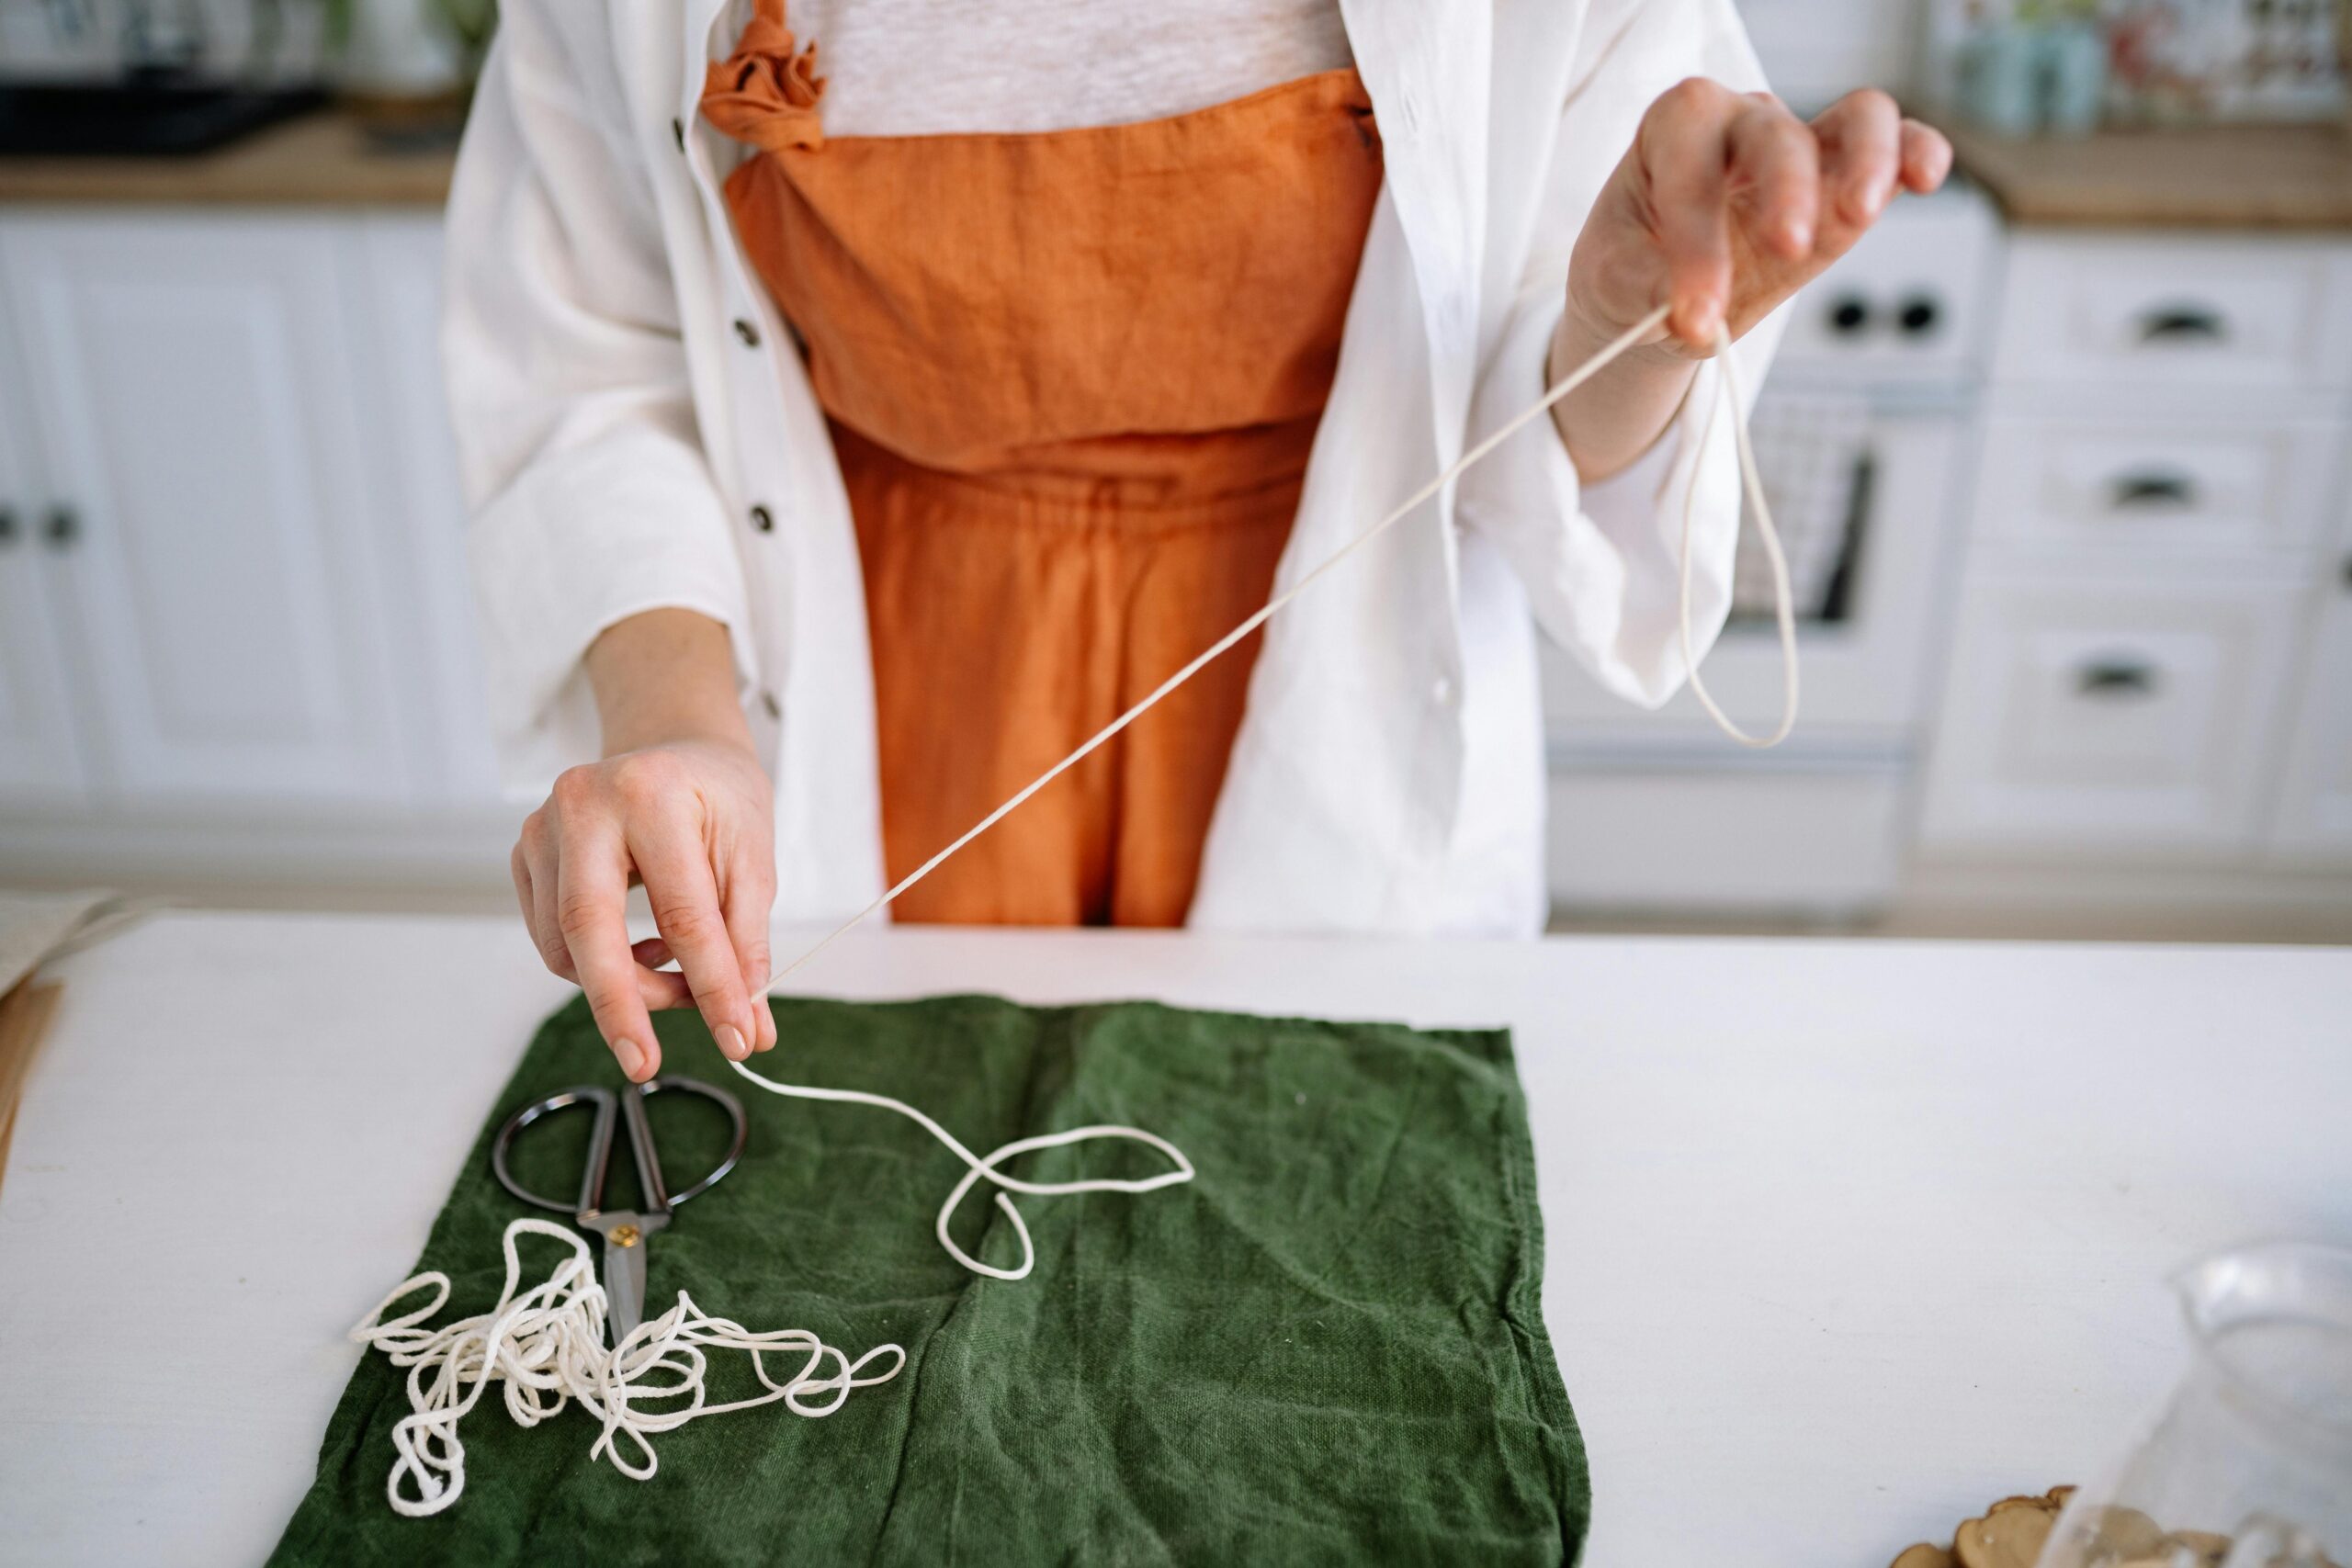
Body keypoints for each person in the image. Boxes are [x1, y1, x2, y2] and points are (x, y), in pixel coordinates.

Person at [445, 0, 1951, 1082]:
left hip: (1326, 679)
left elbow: (1532, 447)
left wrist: (1632, 320)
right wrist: (677, 725)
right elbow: (594, 356)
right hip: (886, 683)